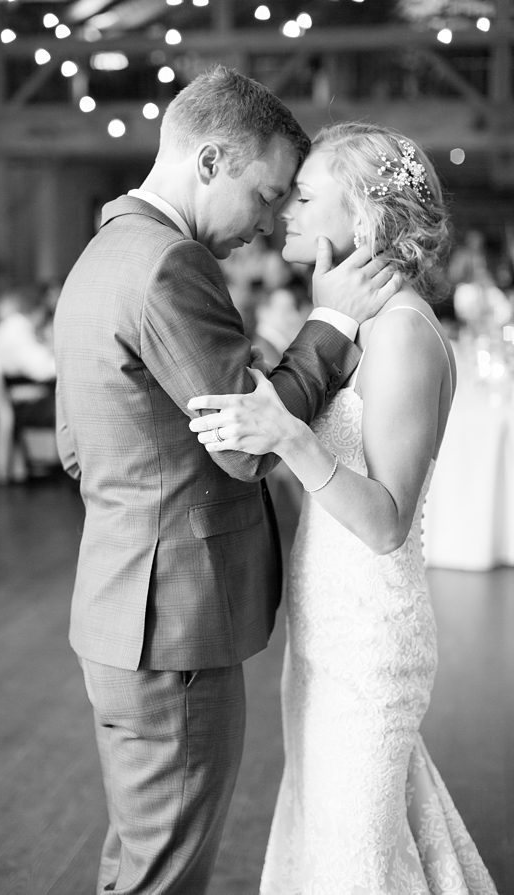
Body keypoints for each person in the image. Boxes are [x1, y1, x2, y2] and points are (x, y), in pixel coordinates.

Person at [52, 65, 405, 893]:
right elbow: (248, 446)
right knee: (164, 873)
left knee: (139, 855)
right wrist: (331, 321)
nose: (271, 222)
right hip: (172, 624)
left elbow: (75, 448)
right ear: (210, 161)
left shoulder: (102, 254)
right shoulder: (169, 262)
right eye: (268, 194)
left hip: (120, 607)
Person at [186, 123, 497, 892]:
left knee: (355, 859)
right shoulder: (362, 326)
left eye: (303, 196)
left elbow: (387, 521)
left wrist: (289, 436)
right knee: (337, 835)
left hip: (371, 636)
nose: (283, 211)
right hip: (325, 621)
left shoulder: (403, 334)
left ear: (361, 217)